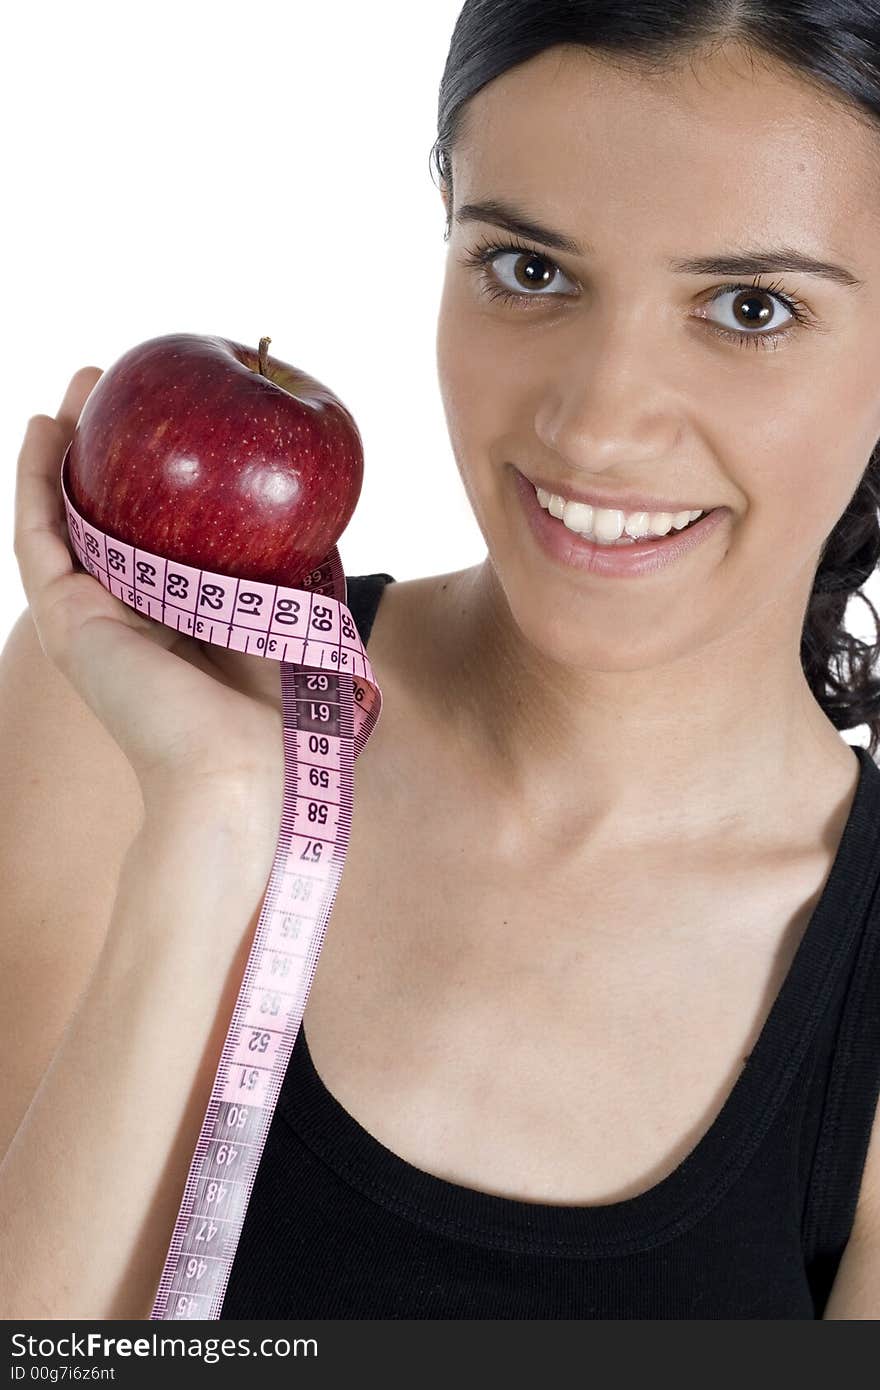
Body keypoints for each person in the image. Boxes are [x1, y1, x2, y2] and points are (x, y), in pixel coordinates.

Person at [3, 0, 880, 1322]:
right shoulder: (135, 715)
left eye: (749, 306)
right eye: (531, 270)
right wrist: (211, 832)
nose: (597, 419)